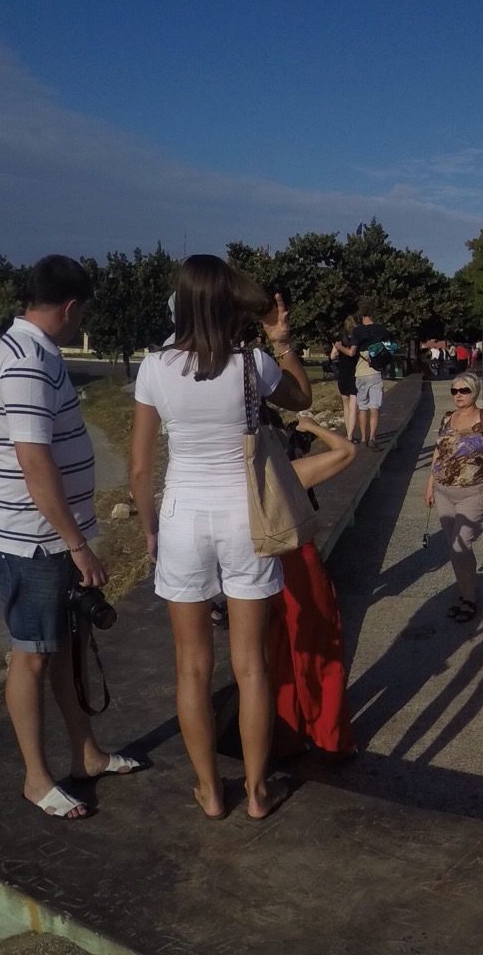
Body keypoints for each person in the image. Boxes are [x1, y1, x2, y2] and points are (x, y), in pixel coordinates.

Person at [129, 255, 312, 820]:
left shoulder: (154, 367)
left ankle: (210, 792)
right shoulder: (252, 364)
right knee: (251, 665)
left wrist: (150, 528)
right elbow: (302, 398)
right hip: (244, 518)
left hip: (183, 518)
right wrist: (281, 340)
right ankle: (256, 792)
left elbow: (139, 467)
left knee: (191, 667)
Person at [0, 254, 145, 820]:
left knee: (67, 650)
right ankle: (36, 778)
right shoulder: (27, 360)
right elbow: (34, 462)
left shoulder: (32, 350)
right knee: (32, 658)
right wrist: (77, 544)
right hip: (33, 543)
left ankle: (86, 755)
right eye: (84, 313)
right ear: (72, 307)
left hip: (46, 539)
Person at [272, 410, 360, 759]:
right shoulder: (287, 473)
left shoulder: (232, 477)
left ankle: (287, 736)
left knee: (278, 657)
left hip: (256, 572)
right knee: (321, 651)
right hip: (297, 566)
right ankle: (331, 740)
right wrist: (312, 426)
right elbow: (347, 451)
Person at [422, 370, 483, 624]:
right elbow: (439, 452)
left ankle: (470, 598)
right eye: (454, 391)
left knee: (460, 546)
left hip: (472, 493)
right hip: (443, 490)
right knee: (454, 548)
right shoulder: (447, 418)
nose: (458, 395)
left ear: (474, 392)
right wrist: (430, 484)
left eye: (464, 390)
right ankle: (464, 593)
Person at [349, 309, 385, 445]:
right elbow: (390, 347)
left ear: (361, 316)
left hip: (361, 372)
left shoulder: (357, 331)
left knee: (363, 406)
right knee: (375, 406)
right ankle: (372, 437)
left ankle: (363, 438)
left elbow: (352, 352)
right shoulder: (381, 329)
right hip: (375, 371)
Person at [329, 319, 360, 433]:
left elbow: (332, 356)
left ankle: (348, 431)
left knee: (346, 405)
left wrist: (338, 350)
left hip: (343, 373)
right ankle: (351, 433)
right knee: (353, 406)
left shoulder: (340, 341)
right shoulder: (357, 341)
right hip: (355, 373)